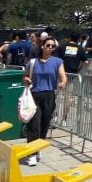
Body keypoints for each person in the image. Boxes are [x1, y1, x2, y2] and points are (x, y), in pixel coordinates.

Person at [23, 36, 67, 166]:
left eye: (53, 46)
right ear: (42, 46)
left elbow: (63, 77)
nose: (50, 48)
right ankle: (31, 153)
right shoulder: (32, 62)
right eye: (48, 45)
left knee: (44, 125)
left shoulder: (57, 61)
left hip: (49, 95)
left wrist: (63, 83)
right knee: (33, 125)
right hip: (34, 95)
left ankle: (38, 147)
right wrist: (26, 80)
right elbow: (25, 76)